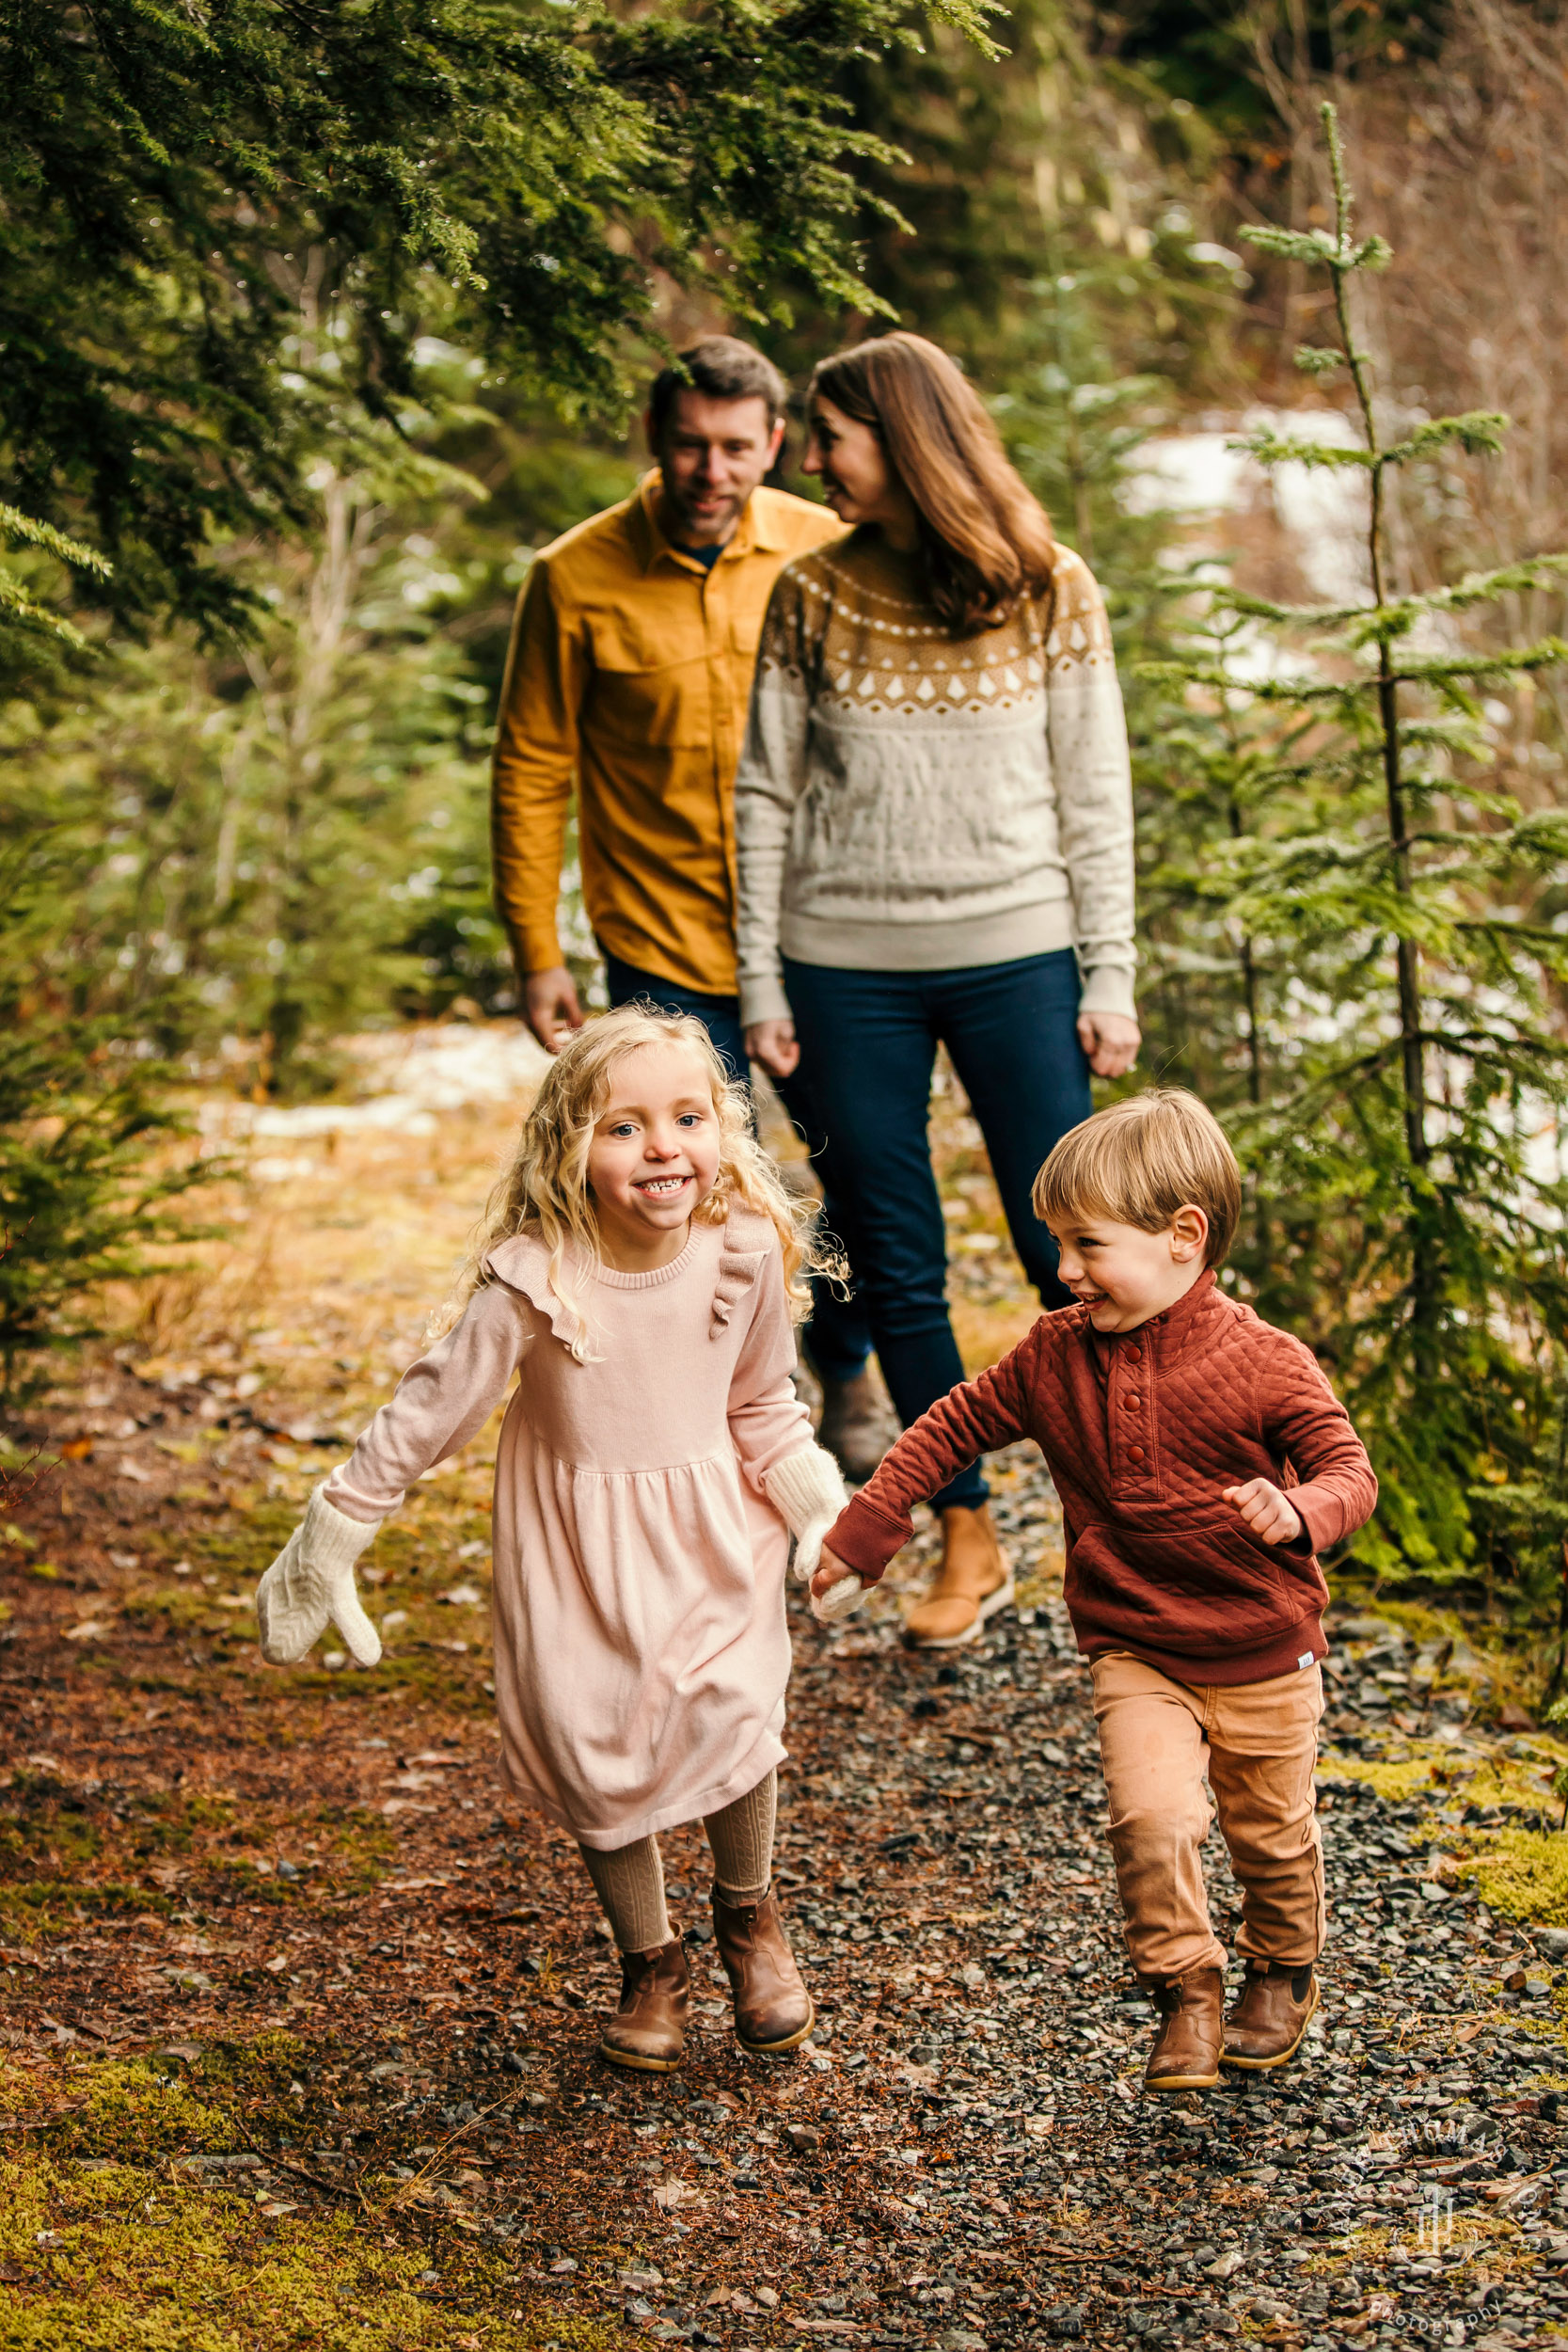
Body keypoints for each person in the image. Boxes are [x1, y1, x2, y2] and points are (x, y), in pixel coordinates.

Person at [253, 1006, 857, 2074]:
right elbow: (428, 1410)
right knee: (595, 1745)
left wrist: (816, 1507)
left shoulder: (742, 1249)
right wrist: (336, 1526)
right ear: (566, 1150)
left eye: (686, 1115)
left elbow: (762, 1403)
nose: (662, 1145)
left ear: (722, 1127)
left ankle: (748, 1915)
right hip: (574, 1552)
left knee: (732, 1712)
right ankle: (650, 1961)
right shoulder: (533, 1279)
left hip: (712, 1532)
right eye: (622, 1128)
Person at [811, 1089, 1378, 2090]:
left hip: (1261, 1647)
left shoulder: (1262, 1362)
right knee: (1150, 1818)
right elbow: (950, 1426)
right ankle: (1184, 1990)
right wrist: (870, 1526)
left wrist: (1301, 1513)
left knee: (1270, 1831)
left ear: (1181, 1237)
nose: (1063, 1270)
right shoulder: (1052, 1353)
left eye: (1085, 1244)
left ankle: (1281, 1970)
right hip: (1134, 1643)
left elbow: (1347, 1470)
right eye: (1056, 1245)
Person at [735, 330, 1141, 1649]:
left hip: (1015, 956)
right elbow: (760, 797)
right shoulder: (809, 594)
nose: (807, 459)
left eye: (828, 433)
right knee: (893, 1256)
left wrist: (1109, 967)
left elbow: (1095, 791)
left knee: (1066, 1242)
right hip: (840, 970)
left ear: (901, 439)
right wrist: (759, 984)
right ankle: (962, 1533)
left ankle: (1121, 1519)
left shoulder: (1045, 587)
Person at [490, 335, 882, 1479]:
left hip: (817, 932)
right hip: (657, 936)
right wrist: (535, 946)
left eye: (733, 448)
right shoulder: (573, 576)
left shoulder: (828, 552)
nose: (710, 471)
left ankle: (844, 1366)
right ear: (655, 444)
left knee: (857, 1159)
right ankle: (722, 1410)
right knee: (692, 1189)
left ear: (772, 447)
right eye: (686, 446)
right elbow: (529, 765)